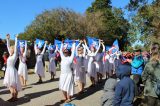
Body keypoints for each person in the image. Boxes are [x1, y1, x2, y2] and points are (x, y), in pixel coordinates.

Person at [3, 34, 22, 102]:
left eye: (11, 49)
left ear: (13, 50)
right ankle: (13, 96)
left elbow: (16, 46)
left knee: (13, 85)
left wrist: (16, 38)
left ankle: (15, 97)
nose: (10, 49)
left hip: (12, 71)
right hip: (8, 71)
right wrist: (8, 39)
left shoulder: (15, 55)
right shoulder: (10, 55)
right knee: (10, 85)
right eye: (10, 49)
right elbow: (7, 46)